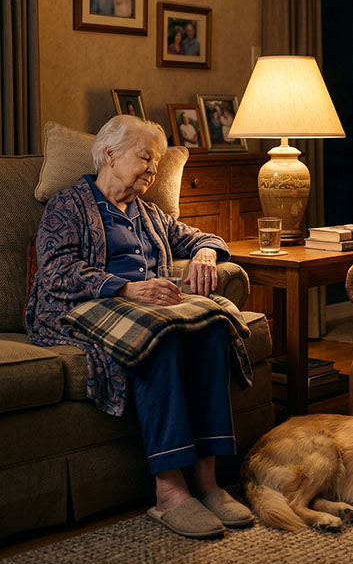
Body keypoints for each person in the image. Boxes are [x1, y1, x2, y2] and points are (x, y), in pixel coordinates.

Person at [25, 116, 254, 538]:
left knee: (212, 328)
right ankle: (170, 492)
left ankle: (207, 481)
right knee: (159, 338)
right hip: (88, 305)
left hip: (149, 309)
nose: (152, 169)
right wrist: (128, 289)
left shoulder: (149, 213)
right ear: (110, 154)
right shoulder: (68, 205)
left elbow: (200, 237)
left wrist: (205, 254)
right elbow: (56, 271)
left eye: (157, 162)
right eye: (145, 157)